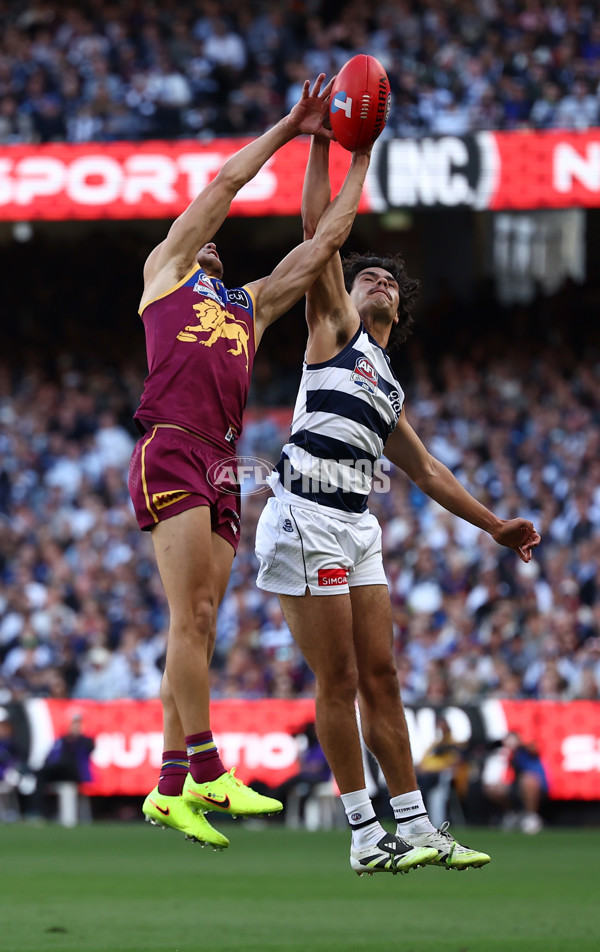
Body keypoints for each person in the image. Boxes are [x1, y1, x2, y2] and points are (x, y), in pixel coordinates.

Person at [254, 132, 541, 876]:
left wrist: (495, 527)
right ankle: (361, 832)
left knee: (382, 677)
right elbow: (319, 232)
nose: (375, 278)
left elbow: (430, 471)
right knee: (340, 679)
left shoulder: (387, 384)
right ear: (342, 292)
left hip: (356, 525)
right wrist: (334, 145)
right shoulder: (332, 327)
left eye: (387, 278)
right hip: (306, 513)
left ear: (399, 306)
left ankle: (412, 826)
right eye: (364, 274)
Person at [128, 74, 374, 851]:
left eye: (216, 242)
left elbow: (325, 243)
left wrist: (353, 156)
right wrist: (294, 126)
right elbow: (229, 182)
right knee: (189, 617)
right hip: (172, 443)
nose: (209, 237)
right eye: (201, 233)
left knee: (201, 624)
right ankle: (205, 766)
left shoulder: (249, 306)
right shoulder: (165, 273)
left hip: (224, 466)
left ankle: (170, 788)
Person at [483, 732, 548, 834]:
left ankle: (531, 817)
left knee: (527, 779)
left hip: (537, 786)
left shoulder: (525, 751)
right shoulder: (505, 754)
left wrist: (519, 744)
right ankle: (511, 815)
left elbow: (534, 749)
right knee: (492, 789)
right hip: (515, 787)